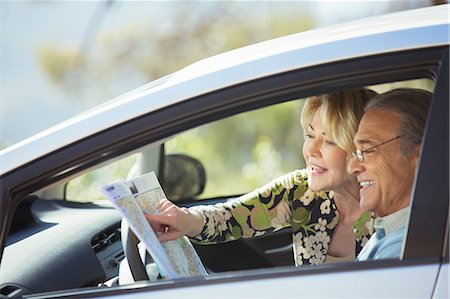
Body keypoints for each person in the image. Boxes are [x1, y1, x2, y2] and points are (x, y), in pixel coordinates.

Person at [146, 88, 377, 266]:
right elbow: (231, 217)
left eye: (329, 141)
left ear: (359, 148)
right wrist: (185, 219)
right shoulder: (302, 190)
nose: (311, 151)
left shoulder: (394, 208)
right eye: (309, 135)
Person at [348, 88, 432, 261]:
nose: (352, 167)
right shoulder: (388, 234)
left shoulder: (404, 250)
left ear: (421, 159)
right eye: (356, 152)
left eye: (367, 150)